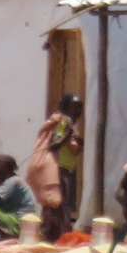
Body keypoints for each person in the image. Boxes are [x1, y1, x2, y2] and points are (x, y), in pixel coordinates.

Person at [33, 93, 83, 242]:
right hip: (59, 168)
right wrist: (68, 134)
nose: (78, 111)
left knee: (60, 204)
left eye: (80, 107)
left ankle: (55, 237)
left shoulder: (72, 124)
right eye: (74, 107)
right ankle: (57, 237)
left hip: (68, 168)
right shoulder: (64, 122)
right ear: (66, 107)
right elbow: (54, 143)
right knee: (59, 204)